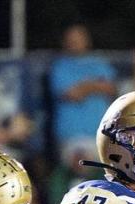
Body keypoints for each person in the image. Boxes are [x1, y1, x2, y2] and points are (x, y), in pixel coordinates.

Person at [49, 24, 117, 157]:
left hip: (100, 134)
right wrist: (95, 85)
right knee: (79, 175)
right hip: (71, 135)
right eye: (71, 39)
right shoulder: (59, 67)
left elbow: (111, 88)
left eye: (78, 38)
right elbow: (73, 94)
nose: (74, 42)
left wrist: (85, 86)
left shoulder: (99, 63)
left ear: (87, 40)